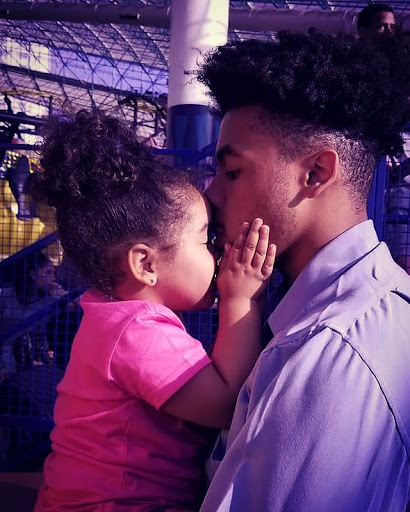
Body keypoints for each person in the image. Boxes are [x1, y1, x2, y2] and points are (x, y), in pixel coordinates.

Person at [197, 32, 410, 511]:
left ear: (315, 173)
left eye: (233, 172)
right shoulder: (363, 310)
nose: (211, 196)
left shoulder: (329, 357)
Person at [34, 110, 276, 511]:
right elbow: (225, 406)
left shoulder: (113, 317)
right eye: (206, 240)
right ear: (146, 264)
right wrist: (243, 299)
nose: (219, 249)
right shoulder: (136, 332)